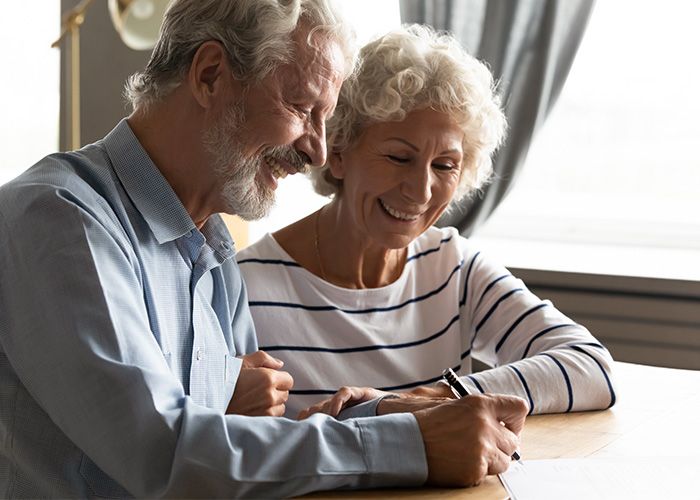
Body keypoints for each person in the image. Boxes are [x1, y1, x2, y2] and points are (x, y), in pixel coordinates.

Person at [0, 1, 529, 498]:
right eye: (302, 107)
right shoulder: (59, 218)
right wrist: (411, 444)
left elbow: (241, 445)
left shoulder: (209, 245)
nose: (318, 149)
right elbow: (164, 452)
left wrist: (396, 415)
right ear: (210, 75)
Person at [237, 25, 617, 420]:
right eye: (399, 158)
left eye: (445, 165)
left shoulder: (453, 267)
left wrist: (439, 396)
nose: (420, 191)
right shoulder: (245, 288)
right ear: (337, 152)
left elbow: (591, 367)